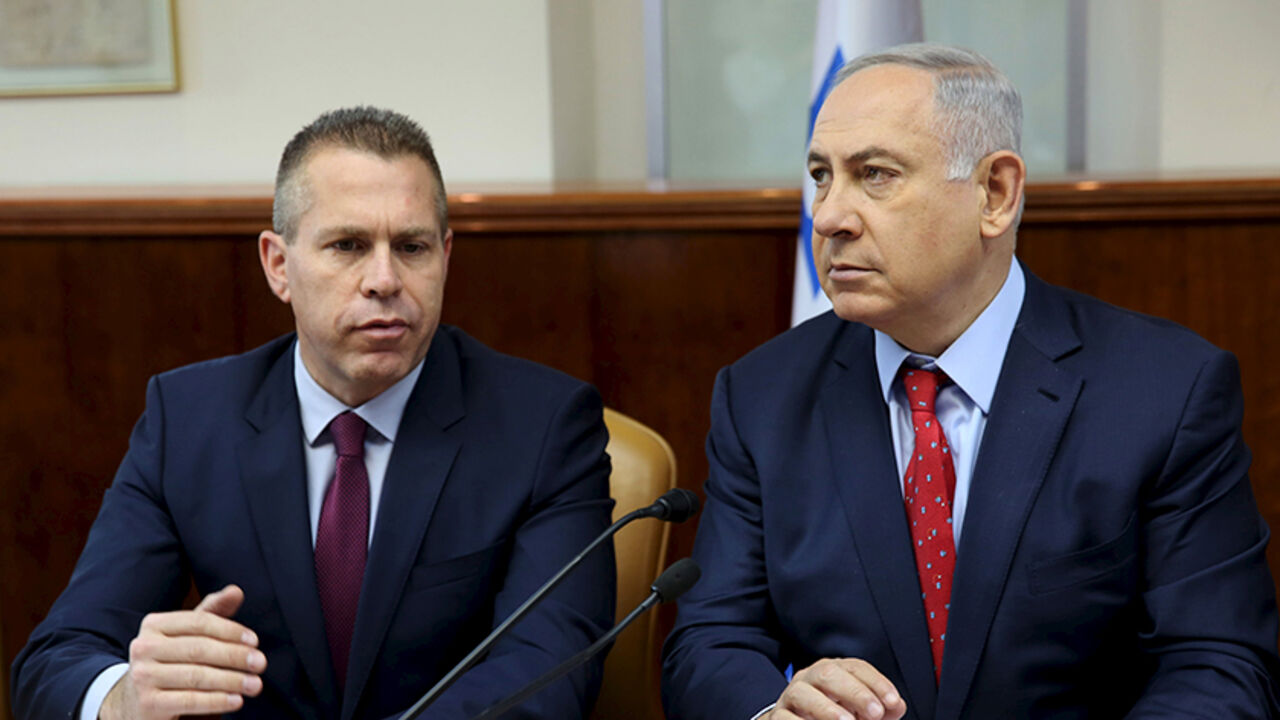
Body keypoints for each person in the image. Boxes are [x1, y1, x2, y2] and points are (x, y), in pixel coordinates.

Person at [661, 44, 1280, 720]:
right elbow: (709, 643)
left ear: (996, 193)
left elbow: (1217, 665)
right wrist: (770, 712)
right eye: (820, 176)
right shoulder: (763, 396)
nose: (829, 216)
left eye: (874, 174)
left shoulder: (1163, 390)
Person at [12, 107, 617, 720]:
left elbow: (547, 673)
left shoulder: (544, 426)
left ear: (446, 256)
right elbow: (56, 661)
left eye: (411, 247)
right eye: (348, 246)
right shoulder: (190, 421)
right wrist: (124, 699)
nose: (384, 279)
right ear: (279, 265)